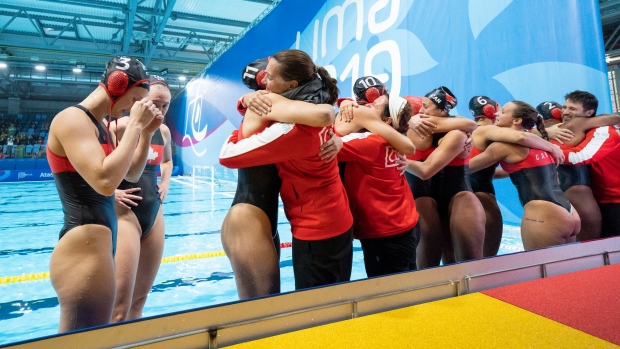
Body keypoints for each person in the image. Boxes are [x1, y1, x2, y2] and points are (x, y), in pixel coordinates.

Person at [220, 49, 354, 291]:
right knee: (264, 312)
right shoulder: (292, 112)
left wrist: (338, 139)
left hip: (311, 225)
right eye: (264, 80)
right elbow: (323, 115)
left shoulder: (291, 122)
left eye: (270, 78)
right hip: (251, 217)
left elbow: (323, 117)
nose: (266, 84)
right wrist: (245, 102)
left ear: (290, 85)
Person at [46, 56, 161, 331]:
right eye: (135, 100)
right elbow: (105, 182)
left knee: (92, 339)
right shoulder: (72, 119)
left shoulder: (102, 126)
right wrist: (134, 124)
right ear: (117, 85)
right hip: (83, 248)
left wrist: (145, 134)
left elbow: (129, 174)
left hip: (96, 247)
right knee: (79, 343)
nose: (134, 109)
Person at [469, 101, 580, 250]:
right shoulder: (540, 143)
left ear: (516, 120)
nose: (497, 114)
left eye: (502, 112)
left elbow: (464, 169)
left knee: (543, 272)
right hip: (569, 210)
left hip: (543, 214)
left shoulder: (503, 146)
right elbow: (524, 171)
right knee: (570, 271)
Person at [110, 74, 173, 322]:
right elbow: (91, 169)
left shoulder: (164, 132)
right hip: (125, 215)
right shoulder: (119, 127)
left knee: (139, 301)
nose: (160, 109)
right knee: (119, 306)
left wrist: (165, 181)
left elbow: (167, 161)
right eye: (156, 102)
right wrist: (110, 192)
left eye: (166, 105)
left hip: (154, 213)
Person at [337, 95, 420, 277]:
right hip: (406, 222)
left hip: (384, 231)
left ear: (386, 120)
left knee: (388, 296)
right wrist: (344, 102)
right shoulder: (395, 138)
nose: (366, 106)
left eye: (374, 106)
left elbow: (322, 145)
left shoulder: (368, 142)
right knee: (408, 286)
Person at [404, 87, 484, 267]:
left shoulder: (457, 133)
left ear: (442, 111)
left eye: (426, 107)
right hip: (423, 199)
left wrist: (401, 162)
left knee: (466, 267)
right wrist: (410, 119)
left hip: (459, 198)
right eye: (420, 107)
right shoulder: (409, 126)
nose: (421, 111)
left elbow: (425, 172)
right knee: (427, 272)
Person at [553, 91, 620, 238]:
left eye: (572, 109)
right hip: (602, 200)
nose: (565, 112)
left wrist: (546, 151)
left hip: (615, 202)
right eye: (564, 107)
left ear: (589, 112)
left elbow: (578, 157)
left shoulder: (604, 131)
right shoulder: (583, 127)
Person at [467, 96, 504, 257]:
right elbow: (521, 135)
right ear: (493, 109)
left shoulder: (471, 130)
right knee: (488, 259)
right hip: (483, 197)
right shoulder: (488, 131)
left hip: (464, 196)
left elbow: (480, 169)